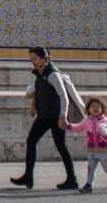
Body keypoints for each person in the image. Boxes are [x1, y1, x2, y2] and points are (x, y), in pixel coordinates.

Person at [10, 46, 81, 191]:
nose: (32, 62)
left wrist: (63, 116)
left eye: (34, 59)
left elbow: (64, 97)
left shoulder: (53, 74)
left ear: (44, 58)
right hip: (44, 115)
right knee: (31, 141)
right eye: (31, 59)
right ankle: (28, 176)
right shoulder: (40, 73)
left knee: (61, 147)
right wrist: (33, 105)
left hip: (55, 116)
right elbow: (37, 90)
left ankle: (72, 179)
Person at [63, 96, 107, 193]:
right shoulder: (87, 120)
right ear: (88, 109)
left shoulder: (105, 121)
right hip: (91, 150)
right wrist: (68, 126)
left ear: (102, 109)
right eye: (93, 107)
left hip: (104, 150)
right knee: (90, 169)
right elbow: (78, 128)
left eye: (98, 107)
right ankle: (89, 185)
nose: (95, 109)